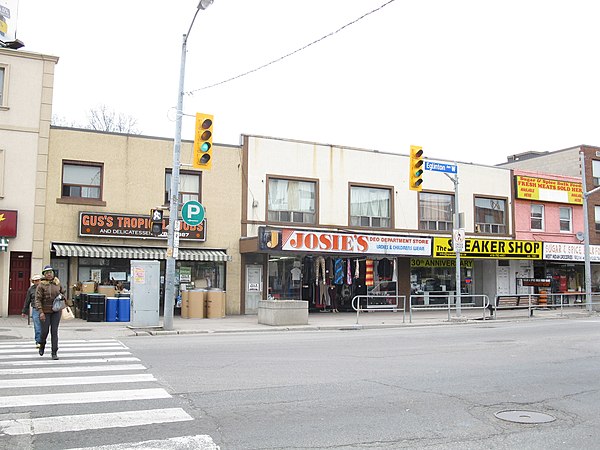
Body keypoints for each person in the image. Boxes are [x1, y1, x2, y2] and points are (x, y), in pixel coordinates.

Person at [35, 265, 68, 360]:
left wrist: (63, 298)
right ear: (44, 274)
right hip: (45, 311)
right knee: (44, 331)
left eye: (50, 272)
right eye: (47, 273)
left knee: (54, 331)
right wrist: (40, 312)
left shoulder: (57, 283)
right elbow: (38, 299)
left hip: (56, 311)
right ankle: (42, 344)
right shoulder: (41, 285)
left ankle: (54, 352)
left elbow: (63, 292)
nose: (49, 274)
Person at [21, 274, 42, 348]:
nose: (37, 282)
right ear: (33, 281)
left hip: (44, 309)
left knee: (44, 326)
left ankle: (43, 340)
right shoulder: (31, 289)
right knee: (37, 326)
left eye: (38, 280)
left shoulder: (44, 288)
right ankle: (38, 341)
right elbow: (27, 300)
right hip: (35, 309)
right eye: (35, 281)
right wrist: (24, 311)